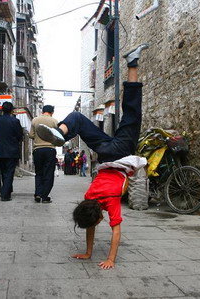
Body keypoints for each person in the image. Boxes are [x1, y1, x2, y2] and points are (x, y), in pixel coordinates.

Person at [36, 43, 149, 269]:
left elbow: (115, 232)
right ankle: (63, 132)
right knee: (77, 118)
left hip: (121, 152)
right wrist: (88, 253)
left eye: (97, 222)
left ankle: (133, 62)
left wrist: (109, 259)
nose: (97, 224)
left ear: (99, 217)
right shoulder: (89, 197)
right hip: (105, 152)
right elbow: (90, 222)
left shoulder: (110, 201)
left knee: (133, 112)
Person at [0, 102, 23, 201]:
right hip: (12, 150)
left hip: (0, 150)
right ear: (11, 110)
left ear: (2, 109)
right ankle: (5, 195)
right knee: (9, 172)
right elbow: (19, 136)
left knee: (4, 171)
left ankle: (7, 190)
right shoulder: (15, 121)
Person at [29, 105, 58, 203]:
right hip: (50, 150)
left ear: (42, 111)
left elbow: (31, 135)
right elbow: (57, 136)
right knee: (49, 173)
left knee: (39, 173)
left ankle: (38, 194)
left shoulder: (34, 120)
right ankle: (45, 196)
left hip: (37, 150)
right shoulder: (54, 121)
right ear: (52, 112)